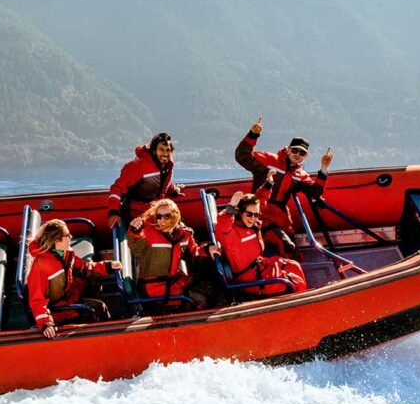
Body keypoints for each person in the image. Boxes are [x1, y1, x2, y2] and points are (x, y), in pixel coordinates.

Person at [234, 116, 334, 256]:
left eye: (302, 152)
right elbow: (242, 156)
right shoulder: (269, 160)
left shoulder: (300, 175)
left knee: (294, 250)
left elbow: (315, 192)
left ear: (306, 156)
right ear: (288, 150)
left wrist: (324, 168)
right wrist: (253, 134)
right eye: (295, 150)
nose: (297, 154)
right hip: (260, 214)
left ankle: (292, 275)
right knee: (287, 246)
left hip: (281, 218)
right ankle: (283, 275)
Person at [27, 220, 121, 339]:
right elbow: (37, 300)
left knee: (97, 296)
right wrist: (46, 323)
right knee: (97, 307)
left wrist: (108, 266)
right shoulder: (40, 266)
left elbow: (84, 267)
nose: (70, 237)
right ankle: (108, 339)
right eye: (66, 235)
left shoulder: (66, 253)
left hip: (70, 298)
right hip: (58, 312)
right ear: (56, 240)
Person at [127, 198, 218, 309]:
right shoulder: (148, 233)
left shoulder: (184, 234)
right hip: (153, 287)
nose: (161, 221)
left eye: (166, 216)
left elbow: (194, 254)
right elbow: (136, 249)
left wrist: (208, 249)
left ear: (175, 216)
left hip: (177, 280)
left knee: (209, 288)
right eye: (159, 216)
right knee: (181, 306)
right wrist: (134, 232)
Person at [215, 191, 307, 295]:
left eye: (256, 215)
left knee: (294, 265)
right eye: (249, 214)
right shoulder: (231, 233)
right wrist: (230, 209)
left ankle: (302, 298)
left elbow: (260, 203)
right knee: (294, 282)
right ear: (239, 212)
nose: (252, 218)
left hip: (259, 265)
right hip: (249, 278)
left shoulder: (250, 225)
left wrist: (268, 185)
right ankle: (300, 304)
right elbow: (222, 226)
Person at [107, 132, 184, 232]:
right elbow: (117, 188)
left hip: (154, 209)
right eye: (161, 150)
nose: (165, 153)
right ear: (153, 151)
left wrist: (174, 191)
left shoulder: (167, 165)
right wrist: (113, 212)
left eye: (168, 150)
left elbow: (164, 183)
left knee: (180, 230)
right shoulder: (138, 166)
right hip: (133, 211)